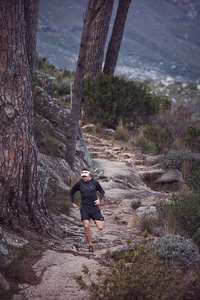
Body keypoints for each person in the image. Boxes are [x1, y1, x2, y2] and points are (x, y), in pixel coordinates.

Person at [70, 168, 105, 253]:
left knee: (100, 228)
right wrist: (73, 203)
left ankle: (101, 216)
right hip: (84, 207)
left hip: (94, 207)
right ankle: (90, 245)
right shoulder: (80, 183)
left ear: (89, 175)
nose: (84, 178)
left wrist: (99, 199)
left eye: (85, 176)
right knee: (86, 226)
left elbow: (102, 191)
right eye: (83, 176)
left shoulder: (94, 182)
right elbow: (72, 192)